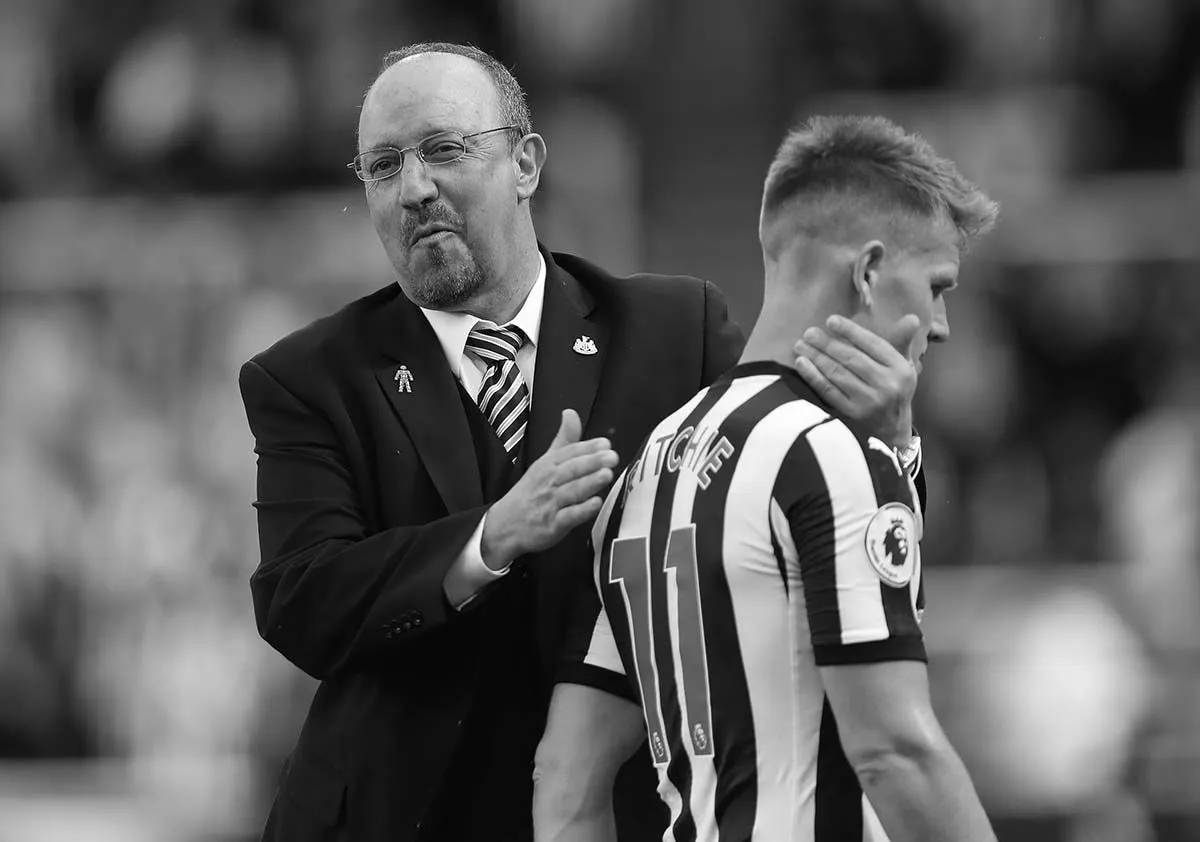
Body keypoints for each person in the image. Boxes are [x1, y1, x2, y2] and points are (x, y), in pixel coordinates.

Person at [239, 41, 923, 842]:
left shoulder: (675, 332)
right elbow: (300, 600)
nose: (414, 188)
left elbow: (795, 515)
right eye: (383, 166)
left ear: (526, 164)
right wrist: (489, 538)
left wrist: (891, 451)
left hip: (618, 809)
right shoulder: (308, 376)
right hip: (399, 815)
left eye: (444, 150)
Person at [532, 114, 999, 842]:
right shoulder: (830, 457)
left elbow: (565, 783)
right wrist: (887, 458)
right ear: (868, 272)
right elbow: (895, 753)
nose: (940, 323)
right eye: (936, 285)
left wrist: (895, 453)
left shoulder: (643, 473)